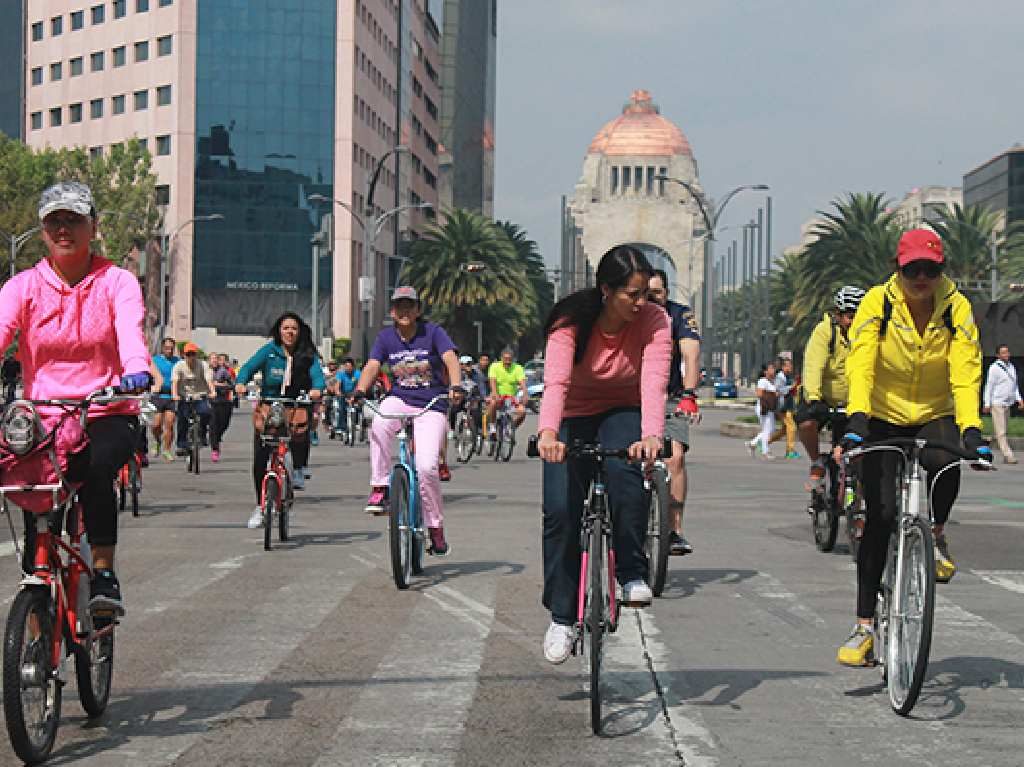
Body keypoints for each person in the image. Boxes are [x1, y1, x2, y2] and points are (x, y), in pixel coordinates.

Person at [836, 229, 991, 667]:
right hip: (882, 413)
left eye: (931, 269)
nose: (921, 278)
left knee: (946, 459)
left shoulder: (955, 306)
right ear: (897, 269)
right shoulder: (876, 303)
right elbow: (862, 360)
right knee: (881, 515)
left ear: (943, 271)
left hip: (935, 409)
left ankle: (937, 534)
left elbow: (965, 368)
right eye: (912, 270)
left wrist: (971, 428)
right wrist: (858, 416)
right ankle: (864, 626)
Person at [0, 181, 151, 614]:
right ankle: (35, 620)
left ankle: (103, 571)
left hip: (105, 407)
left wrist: (136, 370)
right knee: (29, 483)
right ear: (43, 230)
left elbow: (129, 330)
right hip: (44, 414)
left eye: (73, 220)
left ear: (93, 227)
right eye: (54, 221)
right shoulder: (23, 286)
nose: (63, 229)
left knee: (97, 466)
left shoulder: (117, 281)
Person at [536, 245, 672, 664]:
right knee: (560, 510)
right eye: (632, 294)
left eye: (646, 293)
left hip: (624, 409)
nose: (641, 302)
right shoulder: (570, 321)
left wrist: (650, 436)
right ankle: (562, 616)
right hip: (573, 412)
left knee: (627, 475)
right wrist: (547, 433)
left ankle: (631, 572)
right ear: (606, 290)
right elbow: (556, 383)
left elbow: (654, 382)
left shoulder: (656, 321)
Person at [351, 286, 462, 555]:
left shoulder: (433, 332)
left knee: (426, 468)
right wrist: (360, 390)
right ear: (392, 311)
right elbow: (373, 366)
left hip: (431, 404)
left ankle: (435, 528)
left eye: (409, 306)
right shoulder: (386, 337)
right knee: (379, 422)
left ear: (417, 310)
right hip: (399, 399)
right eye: (399, 306)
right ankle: (380, 487)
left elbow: (450, 358)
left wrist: (456, 386)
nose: (404, 311)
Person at [235, 313, 325, 527]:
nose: (290, 332)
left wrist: (316, 390)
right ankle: (260, 505)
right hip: (270, 405)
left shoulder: (307, 354)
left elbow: (318, 377)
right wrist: (241, 382)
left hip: (296, 405)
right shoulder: (269, 351)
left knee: (301, 434)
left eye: (294, 328)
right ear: (279, 330)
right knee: (260, 458)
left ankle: (298, 468)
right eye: (286, 328)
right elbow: (248, 368)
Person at [646, 269, 701, 556]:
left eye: (658, 293)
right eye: (646, 293)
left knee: (675, 457)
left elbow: (691, 355)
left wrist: (690, 395)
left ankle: (675, 530)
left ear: (667, 293)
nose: (652, 299)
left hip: (669, 398)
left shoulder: (680, 315)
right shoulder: (631, 314)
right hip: (632, 397)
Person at [797, 286, 865, 485]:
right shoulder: (825, 332)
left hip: (855, 402)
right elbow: (813, 365)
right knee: (807, 422)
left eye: (858, 317)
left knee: (862, 455)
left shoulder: (867, 333)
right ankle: (817, 460)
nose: (853, 322)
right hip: (824, 398)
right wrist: (814, 397)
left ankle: (858, 504)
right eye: (849, 316)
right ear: (838, 315)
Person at [171, 343, 216, 455]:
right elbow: (175, 382)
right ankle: (181, 444)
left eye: (193, 354)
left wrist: (212, 391)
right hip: (184, 396)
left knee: (206, 412)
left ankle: (202, 435)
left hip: (200, 395)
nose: (191, 357)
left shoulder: (203, 365)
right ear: (184, 355)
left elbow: (208, 379)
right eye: (188, 354)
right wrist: (174, 395)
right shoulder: (179, 366)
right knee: (182, 418)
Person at [983, 344, 1022, 464]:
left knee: (1002, 430)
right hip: (997, 403)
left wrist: (1019, 399)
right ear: (998, 355)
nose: (1006, 354)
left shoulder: (1011, 367)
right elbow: (989, 386)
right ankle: (1008, 455)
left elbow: (1014, 385)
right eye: (1003, 353)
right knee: (1001, 432)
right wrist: (987, 403)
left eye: (1007, 352)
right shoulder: (994, 368)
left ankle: (985, 443)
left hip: (1008, 403)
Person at [486, 347, 528, 440]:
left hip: (511, 398)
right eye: (505, 359)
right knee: (492, 404)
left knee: (522, 412)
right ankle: (492, 427)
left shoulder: (518, 368)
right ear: (501, 358)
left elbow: (522, 383)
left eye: (510, 359)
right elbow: (492, 381)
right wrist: (494, 393)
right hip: (498, 396)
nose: (507, 361)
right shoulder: (495, 366)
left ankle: (510, 428)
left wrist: (525, 394)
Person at [150, 337, 181, 461]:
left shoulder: (178, 361)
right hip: (158, 396)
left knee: (169, 423)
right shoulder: (155, 360)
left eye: (172, 348)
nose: (169, 350)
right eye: (167, 348)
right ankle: (157, 441)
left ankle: (167, 449)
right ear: (162, 348)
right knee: (156, 424)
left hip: (171, 396)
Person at [769, 357, 799, 458]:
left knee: (784, 430)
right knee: (791, 427)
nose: (791, 367)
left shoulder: (786, 377)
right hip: (782, 407)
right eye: (789, 366)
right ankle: (790, 451)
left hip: (787, 406)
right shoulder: (780, 377)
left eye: (791, 365)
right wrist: (791, 387)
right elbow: (778, 390)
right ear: (783, 367)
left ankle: (765, 442)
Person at [747, 362, 778, 459]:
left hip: (770, 408)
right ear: (765, 371)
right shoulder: (762, 381)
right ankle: (765, 452)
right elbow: (759, 394)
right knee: (767, 430)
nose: (773, 370)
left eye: (774, 368)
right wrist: (772, 395)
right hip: (764, 407)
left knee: (771, 429)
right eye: (771, 368)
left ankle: (752, 443)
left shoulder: (771, 381)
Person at [210, 353, 236, 462]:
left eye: (216, 359)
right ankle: (215, 448)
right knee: (213, 426)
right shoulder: (206, 371)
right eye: (212, 359)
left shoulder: (224, 372)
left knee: (224, 424)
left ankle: (217, 437)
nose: (215, 361)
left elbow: (232, 385)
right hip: (210, 402)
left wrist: (219, 385)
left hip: (224, 401)